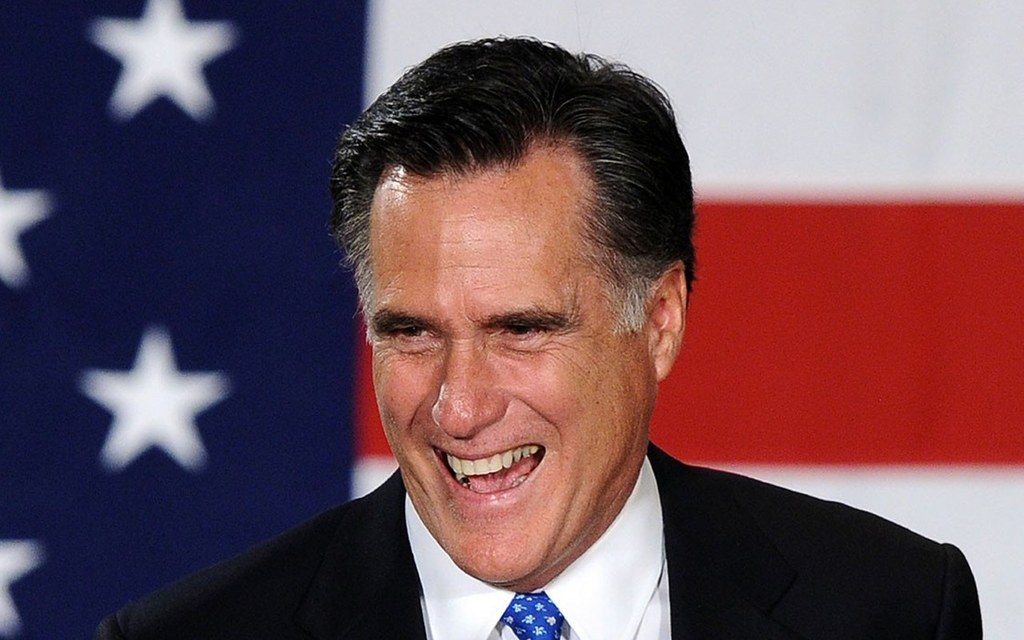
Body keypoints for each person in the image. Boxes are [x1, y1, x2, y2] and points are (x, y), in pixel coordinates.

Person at [95, 37, 981, 640]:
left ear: (660, 320)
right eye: (412, 333)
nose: (459, 407)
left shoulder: (892, 609)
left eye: (520, 330)